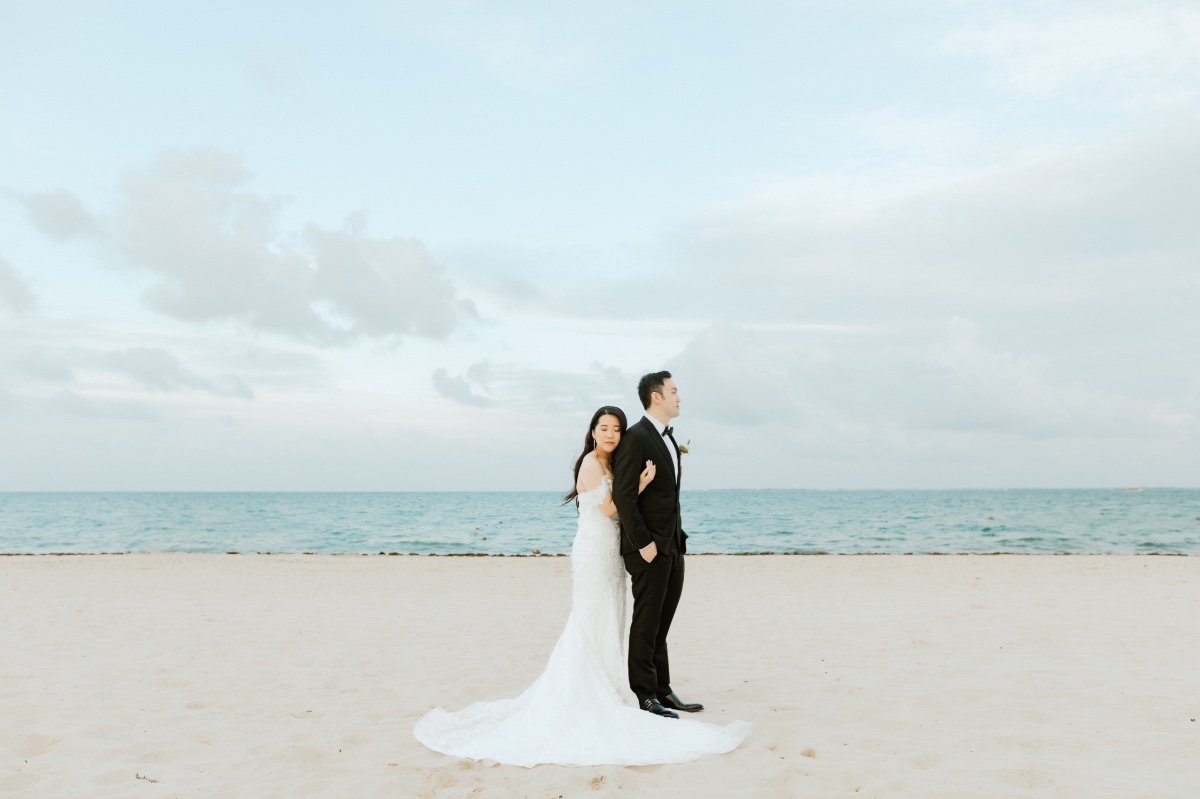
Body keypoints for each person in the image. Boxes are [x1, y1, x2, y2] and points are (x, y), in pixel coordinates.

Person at [413, 404, 749, 766]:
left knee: (611, 616)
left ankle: (610, 684)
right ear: (592, 431)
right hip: (594, 551)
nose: (610, 434)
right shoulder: (591, 463)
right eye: (604, 428)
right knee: (592, 617)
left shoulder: (608, 462)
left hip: (610, 550)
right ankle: (589, 691)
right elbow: (609, 509)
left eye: (616, 429)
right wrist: (639, 484)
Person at [611, 371, 697, 717]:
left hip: (672, 545)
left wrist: (676, 541)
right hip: (648, 548)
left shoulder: (667, 439)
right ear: (656, 396)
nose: (680, 397)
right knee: (646, 622)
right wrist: (645, 544)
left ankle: (662, 688)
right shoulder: (635, 437)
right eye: (674, 391)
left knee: (662, 622)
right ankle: (643, 694)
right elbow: (624, 496)